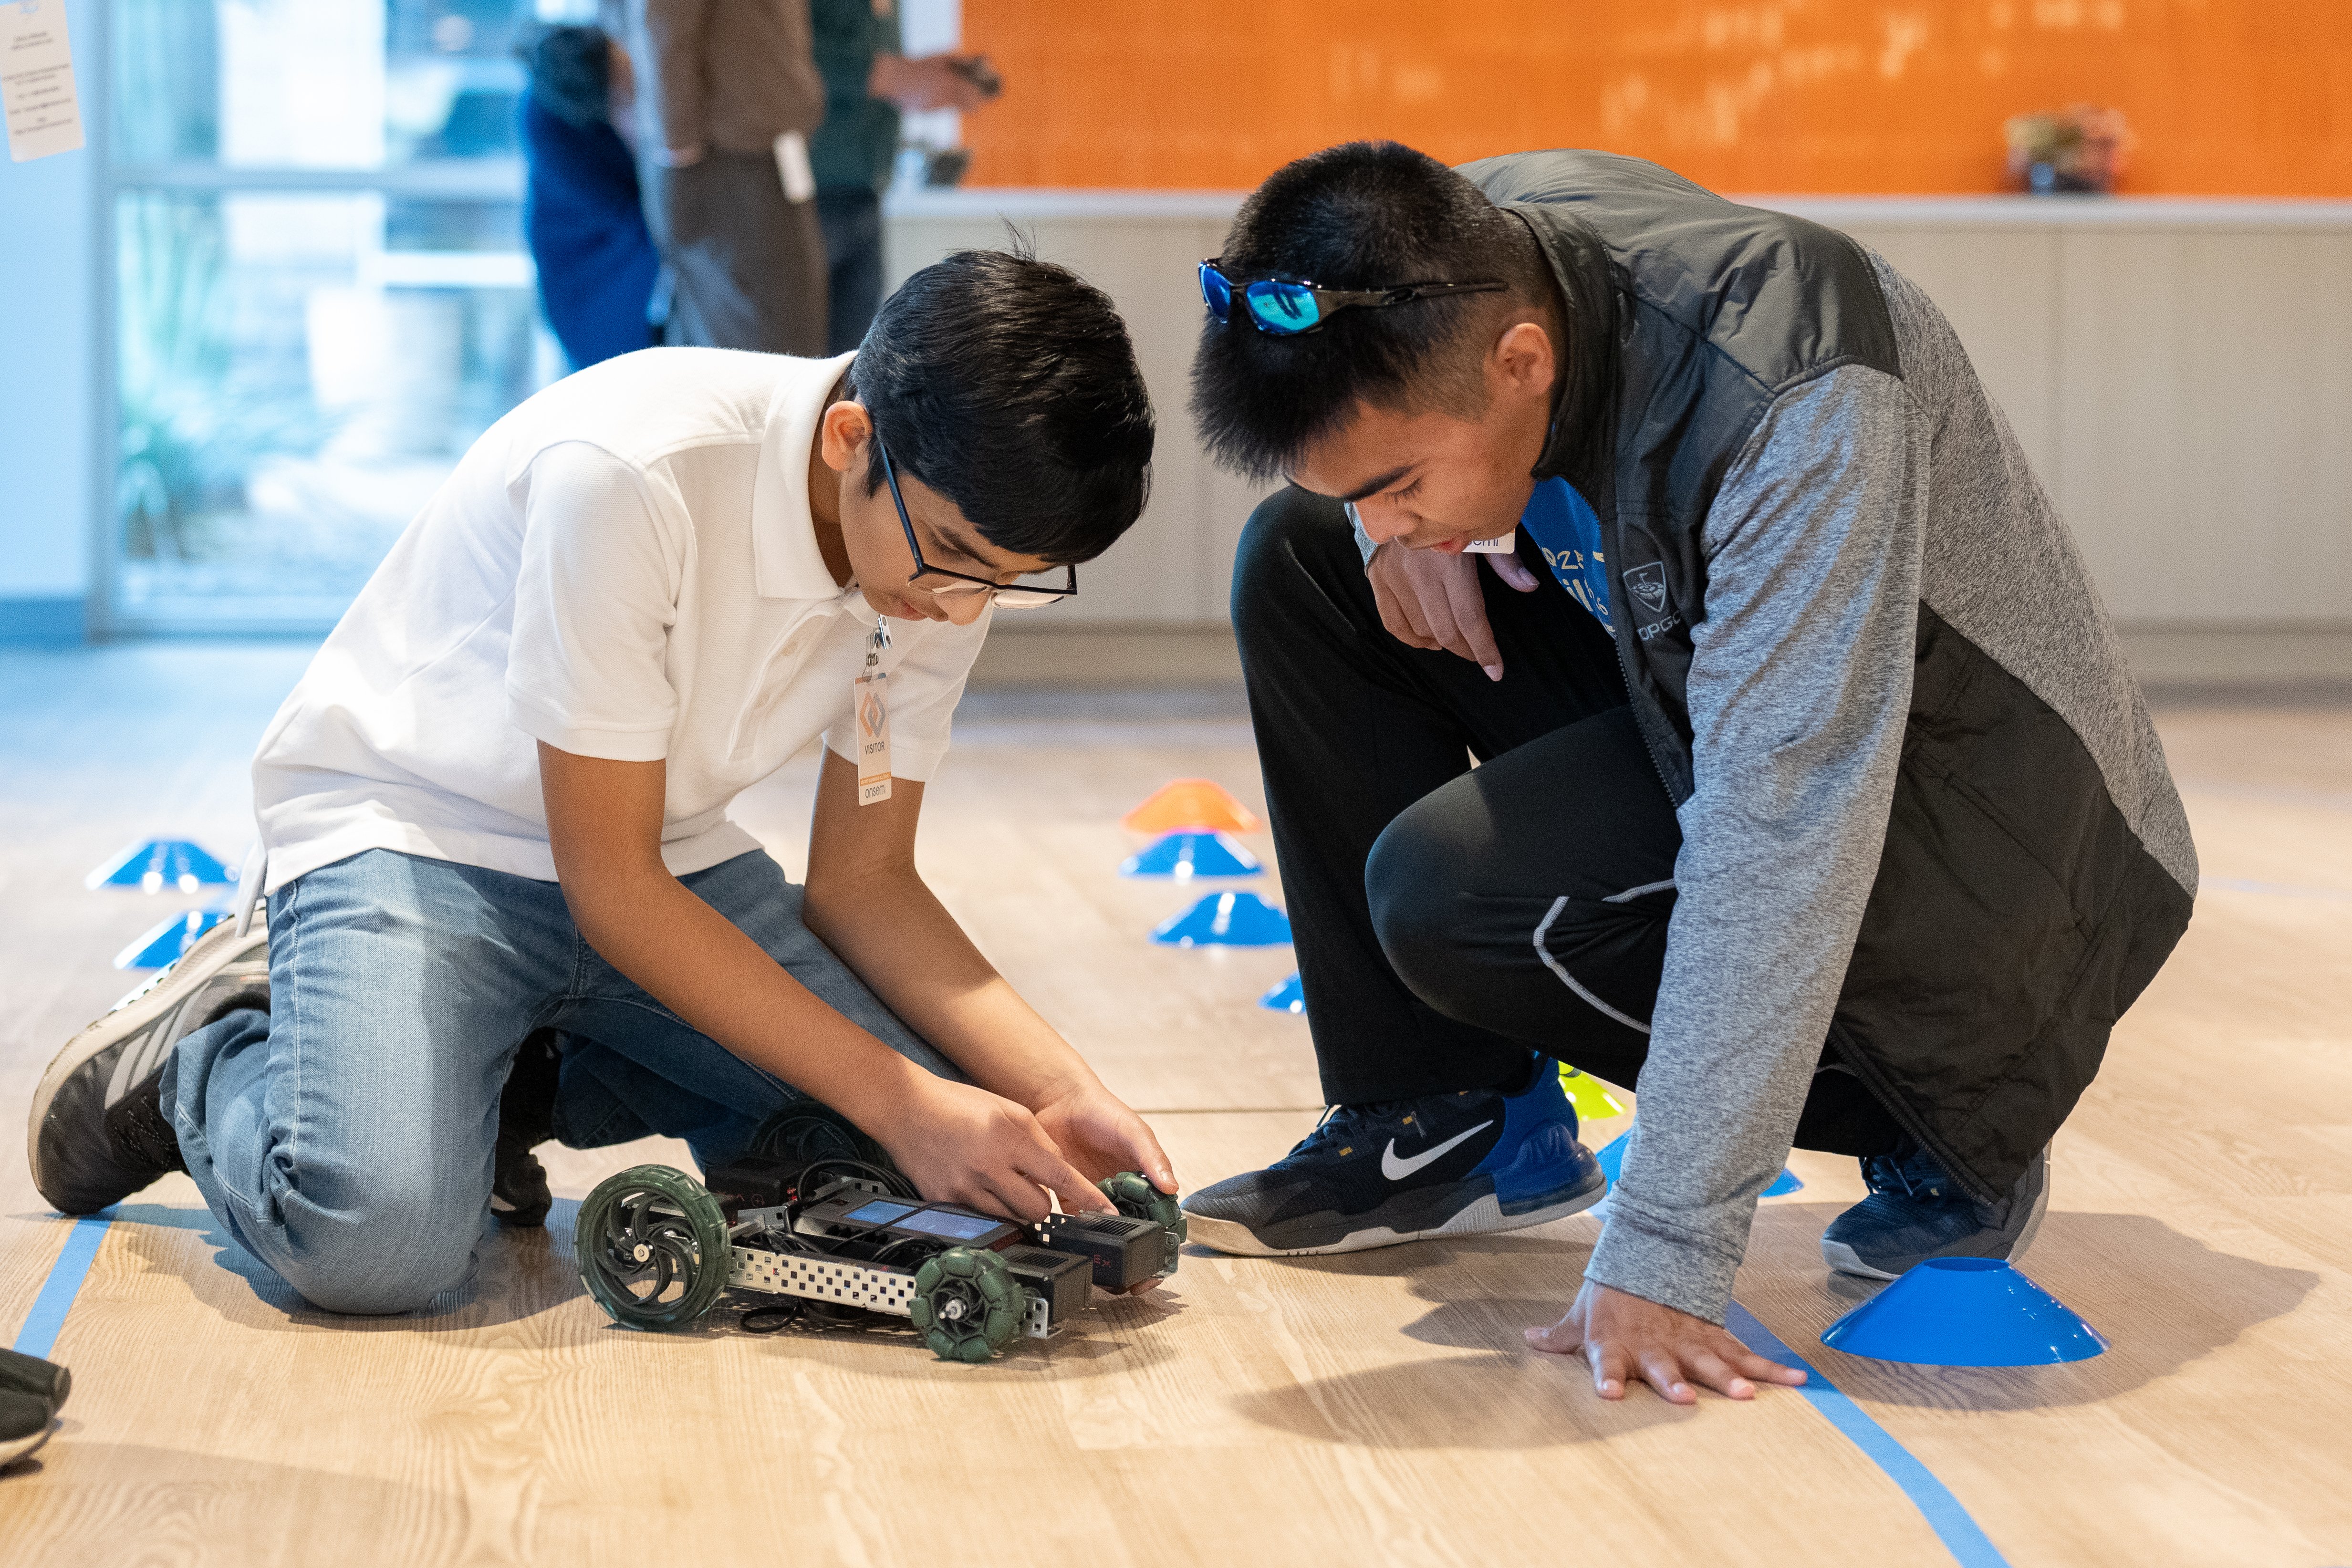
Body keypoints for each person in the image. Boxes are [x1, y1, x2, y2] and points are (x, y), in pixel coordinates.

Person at [1183, 143, 2196, 1404]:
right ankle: (1449, 1114)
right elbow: (1377, 453)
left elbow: (1784, 825)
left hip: (1991, 830)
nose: (1388, 516)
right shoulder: (1477, 245)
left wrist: (1668, 1246)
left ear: (1521, 363)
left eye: (1397, 484)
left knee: (1453, 893)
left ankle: (1929, 1112)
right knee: (1302, 555)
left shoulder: (1799, 394)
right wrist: (1376, 520)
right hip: (1701, 691)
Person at [27, 249, 1168, 1317]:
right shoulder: (632, 471)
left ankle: (496, 1081)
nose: (965, 607)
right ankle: (215, 1052)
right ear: (849, 438)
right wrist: (908, 1097)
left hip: (667, 860)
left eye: (1013, 582)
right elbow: (608, 885)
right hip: (424, 836)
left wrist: (1055, 1086)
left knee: (923, 1175)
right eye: (958, 559)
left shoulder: (940, 543)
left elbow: (866, 883)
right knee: (377, 1240)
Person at [609, 0, 830, 354]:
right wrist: (678, 146)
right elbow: (664, 20)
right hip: (724, 156)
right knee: (767, 357)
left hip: (761, 146)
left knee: (789, 341)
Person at [809, 0, 997, 355]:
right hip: (811, 188)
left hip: (868, 188)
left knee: (854, 363)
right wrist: (897, 77)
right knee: (795, 357)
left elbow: (882, 71)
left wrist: (926, 78)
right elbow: (784, 62)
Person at [517, 25, 661, 370]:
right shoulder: (549, 122)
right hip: (587, 266)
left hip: (604, 231)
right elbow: (619, 209)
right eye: (622, 91)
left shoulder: (573, 59)